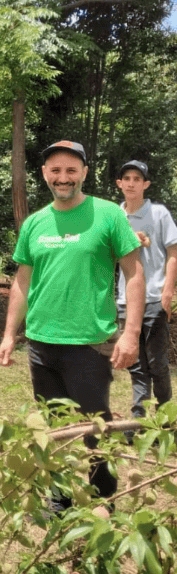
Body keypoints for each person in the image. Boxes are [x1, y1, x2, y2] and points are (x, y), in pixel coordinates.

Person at [0, 140, 144, 513]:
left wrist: (130, 333)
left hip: (89, 344)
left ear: (84, 173)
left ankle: (103, 501)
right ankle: (59, 499)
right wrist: (9, 335)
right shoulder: (35, 222)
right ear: (45, 174)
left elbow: (135, 273)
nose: (63, 178)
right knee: (54, 427)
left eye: (71, 170)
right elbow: (21, 282)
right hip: (42, 343)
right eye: (56, 170)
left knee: (97, 427)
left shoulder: (109, 215)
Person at [115, 160, 177, 426]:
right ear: (119, 184)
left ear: (146, 184)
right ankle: (137, 422)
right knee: (136, 365)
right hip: (125, 300)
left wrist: (168, 290)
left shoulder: (160, 213)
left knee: (157, 365)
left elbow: (173, 254)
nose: (131, 183)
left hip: (153, 298)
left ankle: (166, 423)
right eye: (126, 178)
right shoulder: (115, 215)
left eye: (137, 179)